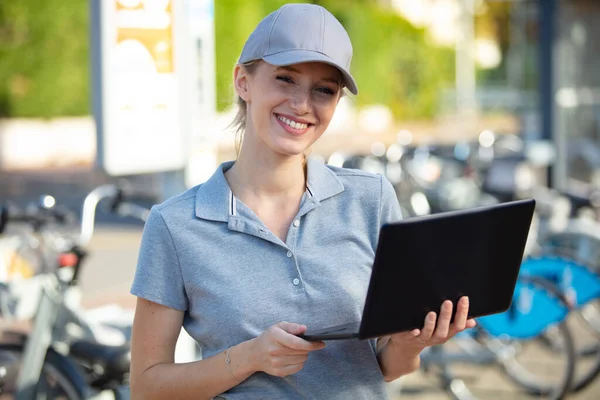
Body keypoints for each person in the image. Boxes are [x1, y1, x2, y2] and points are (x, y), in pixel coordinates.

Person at [129, 3, 476, 399]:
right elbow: (146, 387)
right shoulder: (175, 225)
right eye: (285, 79)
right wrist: (249, 358)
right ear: (243, 81)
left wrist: (412, 343)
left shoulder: (371, 199)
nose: (302, 104)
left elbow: (386, 365)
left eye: (324, 90)